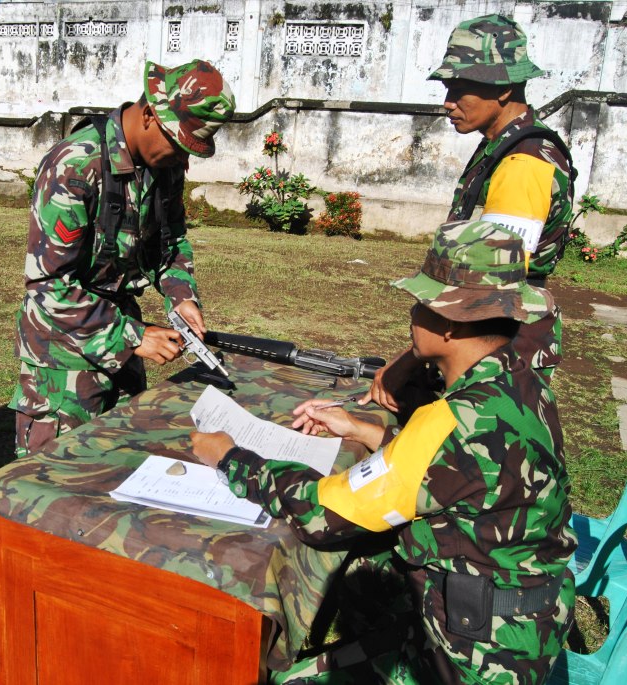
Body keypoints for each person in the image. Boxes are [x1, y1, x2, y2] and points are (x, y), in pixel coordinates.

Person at [192, 220, 576, 684]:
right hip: (531, 621)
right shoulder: (522, 382)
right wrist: (364, 430)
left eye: (421, 303)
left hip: (476, 661)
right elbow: (456, 471)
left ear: (452, 321)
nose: (412, 316)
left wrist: (231, 457)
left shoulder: (450, 421)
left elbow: (324, 513)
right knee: (365, 573)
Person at [11, 59, 235, 459]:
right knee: (57, 483)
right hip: (64, 353)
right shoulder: (75, 165)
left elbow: (170, 242)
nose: (183, 162)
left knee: (120, 465)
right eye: (179, 145)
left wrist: (182, 297)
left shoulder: (163, 167)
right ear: (150, 114)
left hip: (122, 337)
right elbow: (48, 286)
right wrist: (134, 336)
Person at [366, 14, 575, 413]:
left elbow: (486, 287)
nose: (448, 103)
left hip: (500, 342)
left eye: (460, 90)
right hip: (484, 333)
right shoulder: (503, 145)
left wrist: (411, 357)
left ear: (503, 90)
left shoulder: (523, 162)